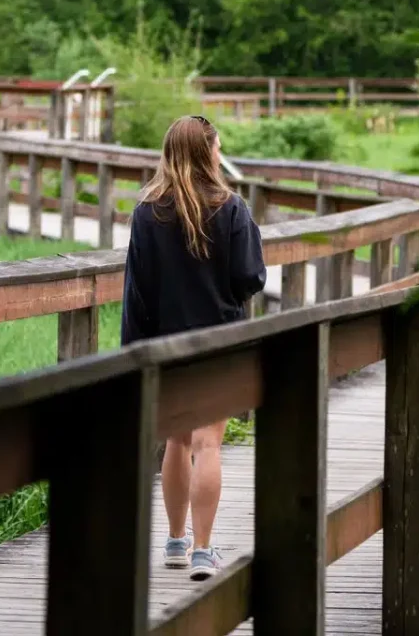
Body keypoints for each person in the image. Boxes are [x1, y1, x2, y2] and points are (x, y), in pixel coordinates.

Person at [121, 115, 266, 581]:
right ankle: (204, 551)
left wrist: (134, 352)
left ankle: (175, 542)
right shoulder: (232, 209)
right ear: (209, 153)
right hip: (219, 341)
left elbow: (137, 290)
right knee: (208, 443)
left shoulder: (147, 212)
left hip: (165, 343)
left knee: (176, 440)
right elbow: (251, 278)